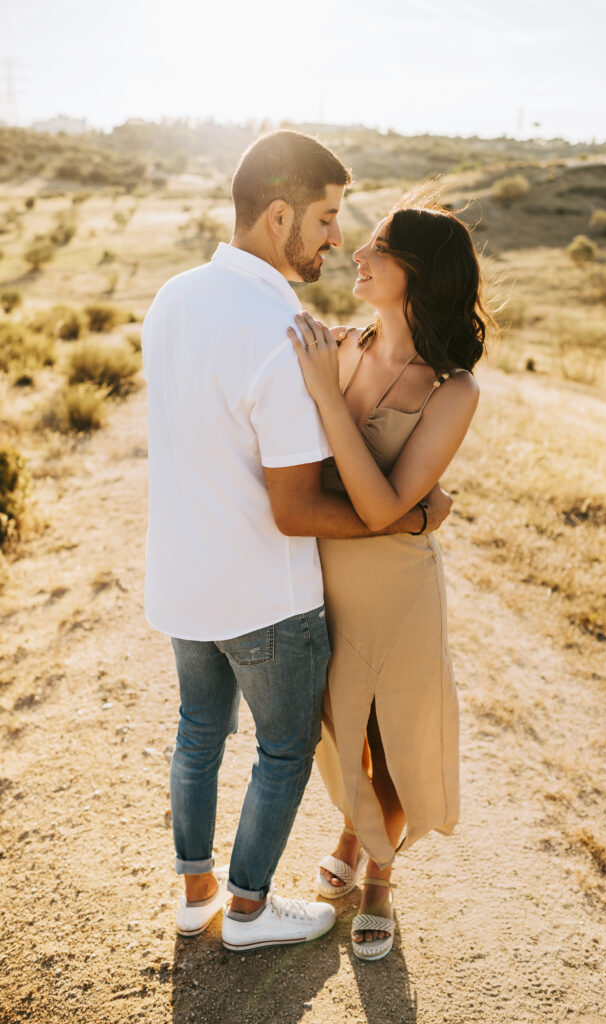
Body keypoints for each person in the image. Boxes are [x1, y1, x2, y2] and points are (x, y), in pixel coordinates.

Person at [142, 131, 453, 953]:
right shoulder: (282, 327)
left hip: (181, 581)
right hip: (262, 595)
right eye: (324, 218)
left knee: (198, 734)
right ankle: (247, 911)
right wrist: (403, 519)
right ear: (278, 216)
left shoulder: (173, 296)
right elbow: (294, 508)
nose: (336, 239)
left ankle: (196, 895)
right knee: (284, 752)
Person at [288, 197, 488, 961]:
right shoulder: (339, 347)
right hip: (325, 579)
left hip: (399, 591)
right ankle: (354, 829)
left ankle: (379, 876)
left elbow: (379, 505)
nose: (357, 254)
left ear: (419, 272)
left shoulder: (453, 390)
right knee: (343, 730)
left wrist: (326, 396)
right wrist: (419, 508)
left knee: (394, 735)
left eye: (378, 246)